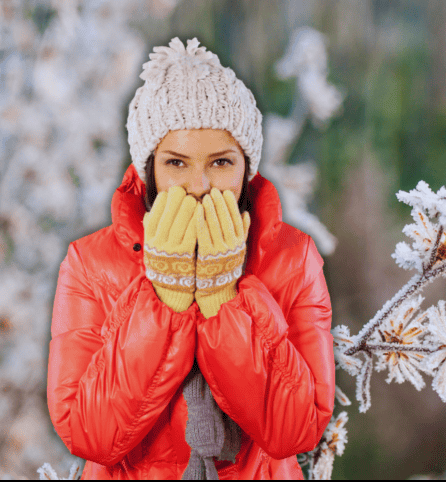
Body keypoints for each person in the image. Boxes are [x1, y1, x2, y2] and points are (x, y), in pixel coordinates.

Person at [46, 37, 335, 480]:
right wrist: (165, 298)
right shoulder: (90, 264)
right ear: (149, 169)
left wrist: (223, 300)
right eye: (176, 164)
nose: (199, 186)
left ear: (247, 167)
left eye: (220, 163)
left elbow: (296, 431)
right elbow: (89, 435)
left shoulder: (293, 258)